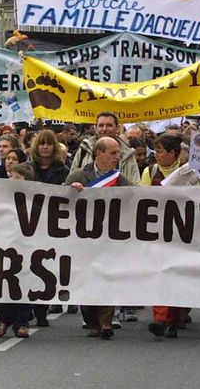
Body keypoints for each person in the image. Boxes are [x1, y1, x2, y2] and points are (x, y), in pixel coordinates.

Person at [67, 137, 130, 340]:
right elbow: (59, 199)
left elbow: (135, 197)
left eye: (117, 153)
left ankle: (105, 323)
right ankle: (92, 321)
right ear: (99, 153)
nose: (117, 157)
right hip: (83, 238)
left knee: (107, 277)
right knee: (87, 279)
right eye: (113, 153)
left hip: (109, 237)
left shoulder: (119, 178)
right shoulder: (80, 174)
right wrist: (72, 190)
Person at [140, 133, 183, 338]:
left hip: (181, 234)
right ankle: (160, 318)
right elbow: (141, 196)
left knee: (177, 274)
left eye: (160, 151)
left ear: (173, 153)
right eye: (155, 151)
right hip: (155, 231)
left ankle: (174, 318)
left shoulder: (188, 172)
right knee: (159, 273)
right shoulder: (150, 171)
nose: (156, 155)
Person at [29, 129, 68, 326]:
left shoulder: (63, 170)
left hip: (52, 224)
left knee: (46, 267)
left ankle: (42, 310)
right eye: (41, 143)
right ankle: (29, 309)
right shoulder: (28, 169)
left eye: (49, 143)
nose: (45, 147)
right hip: (28, 224)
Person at [0, 162, 34, 339]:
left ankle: (22, 322)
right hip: (4, 246)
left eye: (18, 178)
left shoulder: (35, 199)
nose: (13, 180)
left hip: (26, 247)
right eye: (11, 177)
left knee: (24, 283)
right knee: (2, 282)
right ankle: (4, 318)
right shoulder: (1, 197)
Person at [70, 112, 140, 185]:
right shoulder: (84, 149)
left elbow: (135, 185)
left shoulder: (127, 153)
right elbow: (71, 179)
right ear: (95, 128)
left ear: (117, 128)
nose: (104, 129)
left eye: (109, 125)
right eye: (101, 125)